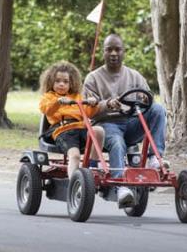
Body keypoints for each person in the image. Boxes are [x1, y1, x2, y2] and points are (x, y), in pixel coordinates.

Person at [83, 33, 168, 209]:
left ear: (123, 52)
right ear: (103, 52)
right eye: (109, 50)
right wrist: (106, 104)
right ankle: (121, 186)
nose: (113, 53)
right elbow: (88, 110)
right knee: (117, 142)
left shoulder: (134, 76)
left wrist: (144, 102)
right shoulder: (93, 78)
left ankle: (154, 157)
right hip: (106, 125)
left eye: (117, 49)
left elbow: (147, 98)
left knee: (158, 109)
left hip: (131, 123)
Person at [38, 61, 100, 177]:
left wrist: (93, 104)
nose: (62, 84)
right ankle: (74, 184)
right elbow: (47, 110)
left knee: (99, 131)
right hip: (63, 130)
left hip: (81, 128)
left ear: (71, 83)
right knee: (75, 156)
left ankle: (93, 166)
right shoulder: (48, 97)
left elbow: (88, 113)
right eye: (58, 81)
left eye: (65, 82)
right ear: (51, 82)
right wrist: (58, 102)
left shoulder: (77, 97)